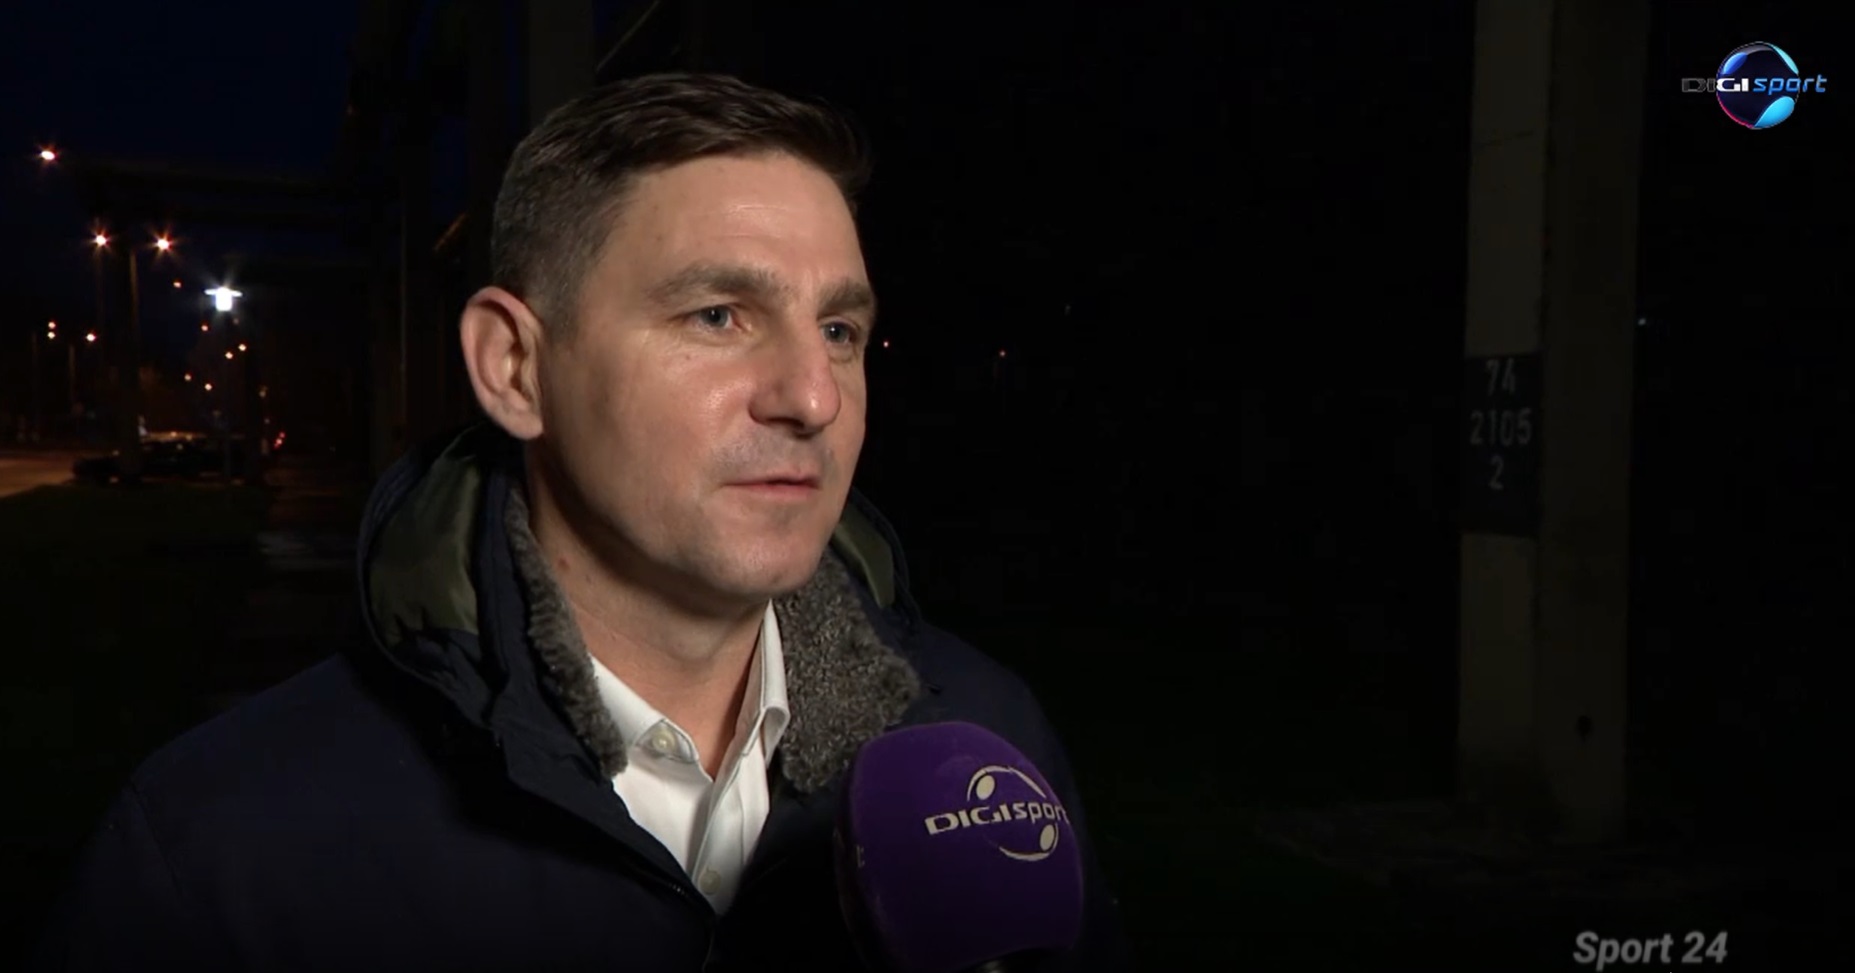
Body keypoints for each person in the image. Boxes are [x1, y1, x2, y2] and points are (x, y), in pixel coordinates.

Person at [31, 73, 1130, 971]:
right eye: (718, 314)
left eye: (839, 330)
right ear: (515, 368)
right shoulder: (224, 850)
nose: (813, 396)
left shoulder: (985, 748)